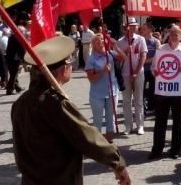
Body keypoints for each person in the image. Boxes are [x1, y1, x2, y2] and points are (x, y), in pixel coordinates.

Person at [12, 35, 131, 185]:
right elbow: (88, 138)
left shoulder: (21, 102)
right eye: (70, 63)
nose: (71, 67)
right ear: (63, 70)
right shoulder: (57, 103)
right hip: (58, 179)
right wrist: (117, 162)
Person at [149, 25, 181, 160]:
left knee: (178, 121)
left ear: (180, 37)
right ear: (168, 36)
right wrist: (155, 72)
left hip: (178, 90)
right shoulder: (161, 50)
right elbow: (154, 67)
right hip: (163, 89)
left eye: (176, 34)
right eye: (171, 34)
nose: (173, 36)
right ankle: (157, 150)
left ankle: (175, 150)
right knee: (160, 121)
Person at [86, 34, 125, 142]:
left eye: (102, 39)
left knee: (110, 117)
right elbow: (91, 79)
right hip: (97, 94)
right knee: (97, 120)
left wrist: (116, 47)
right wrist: (102, 71)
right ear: (93, 44)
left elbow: (123, 58)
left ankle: (109, 141)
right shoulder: (91, 59)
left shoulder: (110, 54)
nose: (100, 41)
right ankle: (97, 143)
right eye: (97, 41)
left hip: (112, 90)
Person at [117, 17, 148, 135]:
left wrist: (136, 72)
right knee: (126, 101)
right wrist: (125, 52)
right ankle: (128, 126)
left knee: (139, 100)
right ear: (127, 27)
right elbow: (118, 58)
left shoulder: (140, 39)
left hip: (138, 72)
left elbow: (143, 56)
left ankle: (140, 125)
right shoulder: (121, 41)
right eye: (131, 25)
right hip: (125, 73)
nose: (133, 27)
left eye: (135, 25)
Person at [141, 23, 160, 114]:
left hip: (153, 70)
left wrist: (145, 61)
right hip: (142, 70)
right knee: (142, 90)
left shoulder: (156, 41)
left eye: (144, 29)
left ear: (149, 30)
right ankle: (143, 108)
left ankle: (152, 107)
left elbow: (158, 56)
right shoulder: (140, 41)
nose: (142, 30)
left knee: (153, 89)